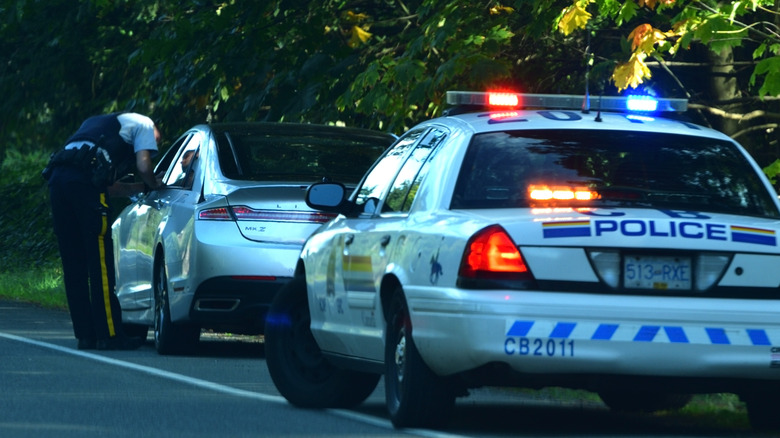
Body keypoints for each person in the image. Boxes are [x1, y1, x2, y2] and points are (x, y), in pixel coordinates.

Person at [44, 112, 163, 350]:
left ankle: (85, 335)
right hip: (84, 181)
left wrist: (140, 187)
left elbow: (108, 187)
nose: (151, 147)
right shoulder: (146, 125)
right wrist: (156, 184)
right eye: (154, 146)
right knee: (100, 262)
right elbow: (143, 166)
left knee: (73, 263)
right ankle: (110, 335)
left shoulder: (96, 124)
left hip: (58, 181)